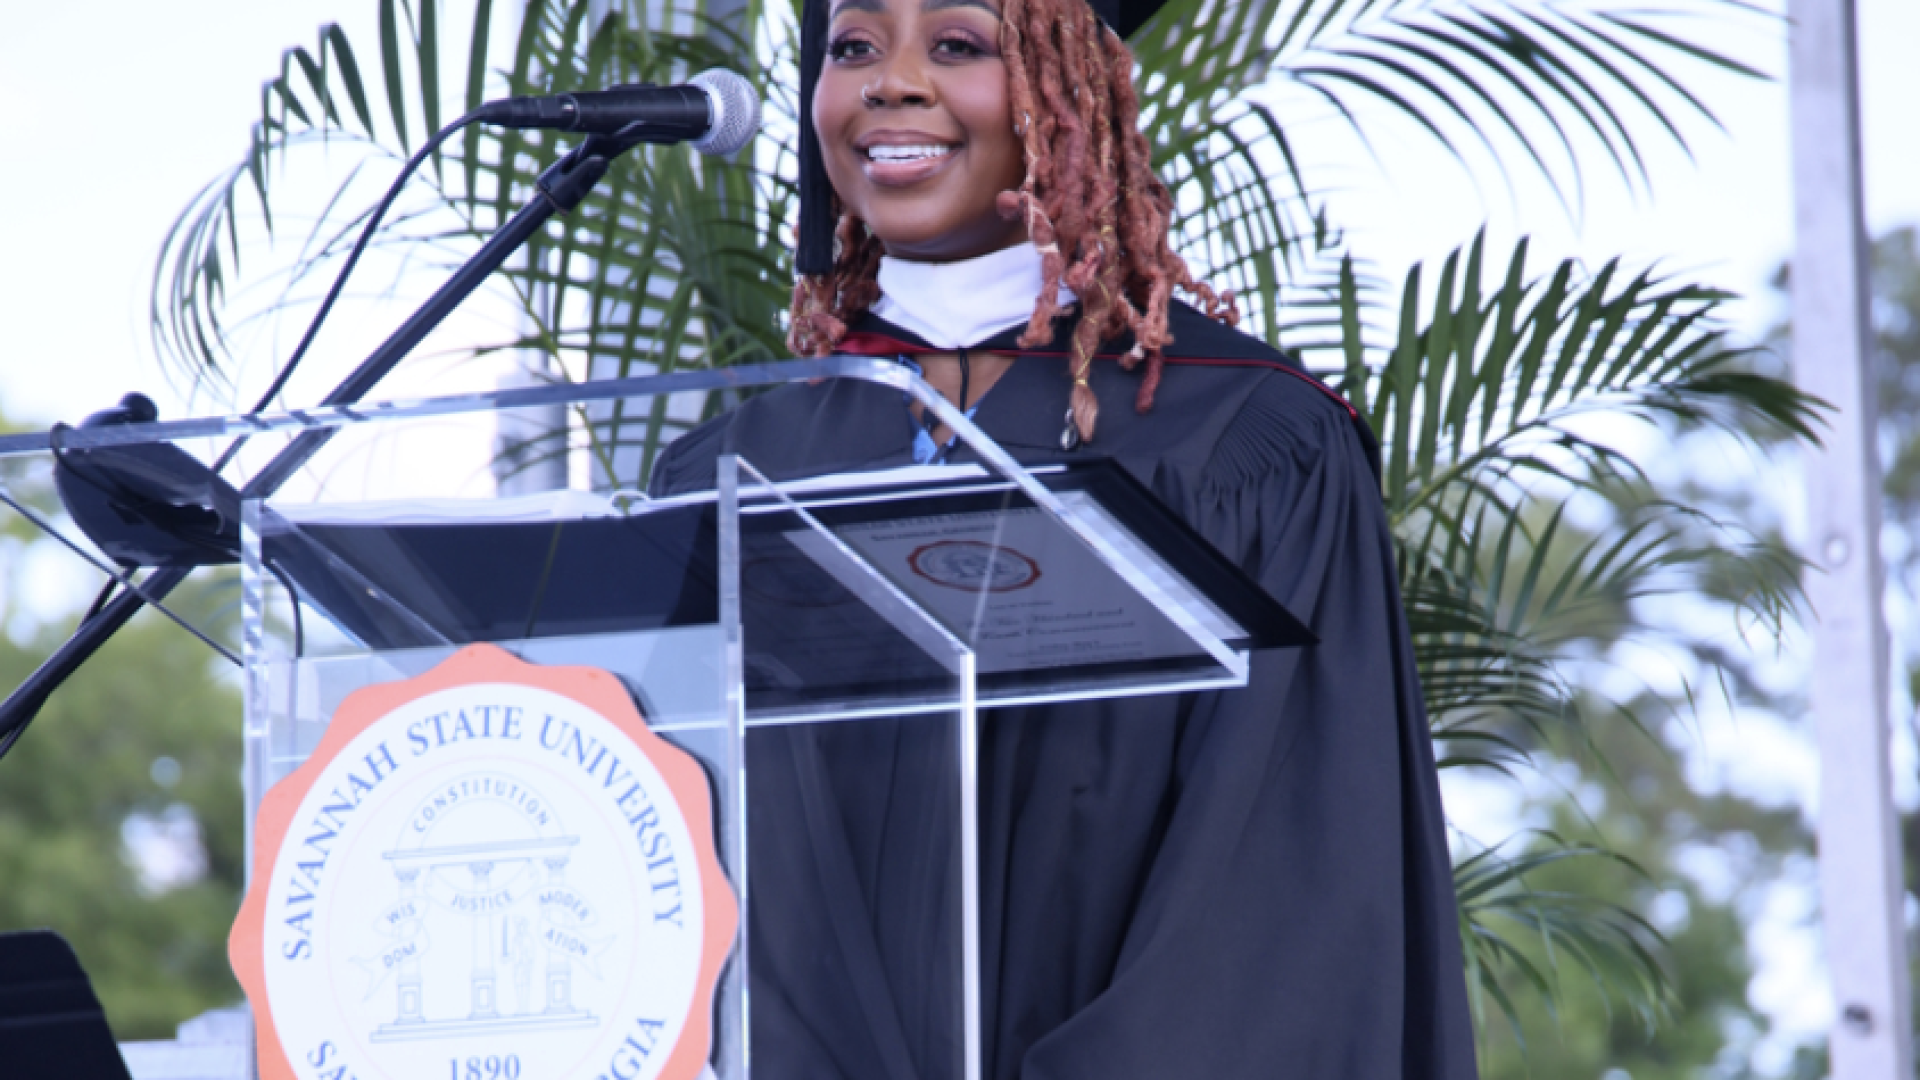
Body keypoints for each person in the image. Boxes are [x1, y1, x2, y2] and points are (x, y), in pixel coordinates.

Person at [648, 0, 1480, 1074]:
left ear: (1068, 90)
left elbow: (1280, 900)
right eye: (853, 46)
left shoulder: (1243, 443)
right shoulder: (731, 474)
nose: (890, 82)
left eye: (957, 45)